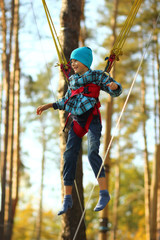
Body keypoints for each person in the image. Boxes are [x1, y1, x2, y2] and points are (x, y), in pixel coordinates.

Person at [37, 47, 122, 215]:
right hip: (77, 121)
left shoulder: (97, 76)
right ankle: (67, 199)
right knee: (68, 156)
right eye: (71, 61)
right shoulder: (73, 81)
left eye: (75, 60)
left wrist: (113, 86)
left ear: (85, 61)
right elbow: (66, 101)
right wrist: (49, 105)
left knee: (92, 153)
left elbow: (114, 88)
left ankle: (104, 193)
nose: (72, 64)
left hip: (92, 120)